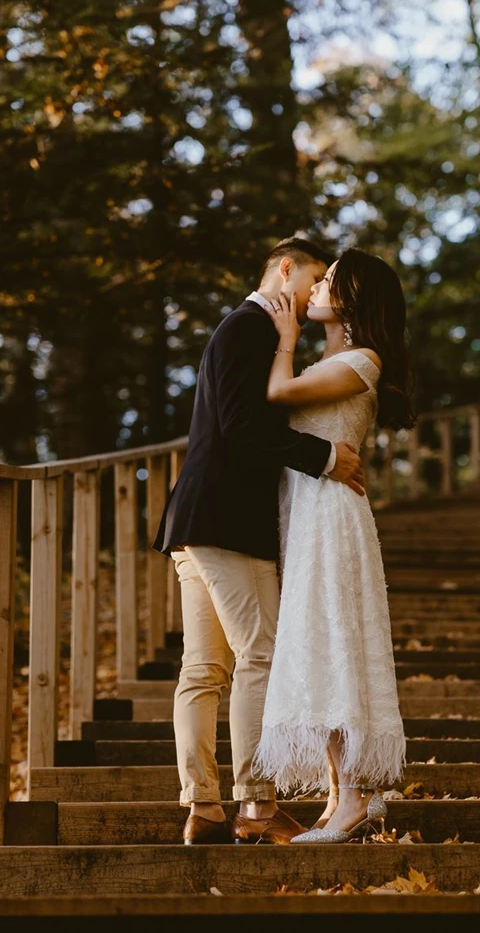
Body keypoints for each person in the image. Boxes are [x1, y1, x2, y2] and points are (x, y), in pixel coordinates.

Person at [152, 237, 365, 845]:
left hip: (195, 520)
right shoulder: (249, 328)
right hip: (226, 522)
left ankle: (203, 808)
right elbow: (242, 427)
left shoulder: (245, 330)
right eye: (316, 278)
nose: (316, 293)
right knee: (261, 655)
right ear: (287, 270)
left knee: (203, 668)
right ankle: (255, 805)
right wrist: (324, 457)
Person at [253, 247, 412, 844]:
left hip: (331, 518)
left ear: (352, 299)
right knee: (323, 647)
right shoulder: (339, 356)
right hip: (307, 514)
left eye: (329, 284)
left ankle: (351, 797)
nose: (315, 289)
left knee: (335, 644)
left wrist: (285, 334)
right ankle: (342, 796)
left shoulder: (361, 359)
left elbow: (276, 393)